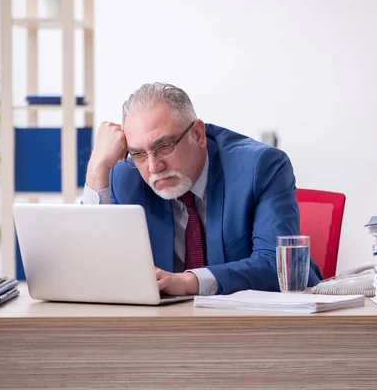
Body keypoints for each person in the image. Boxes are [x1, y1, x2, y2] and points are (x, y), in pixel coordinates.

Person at [83, 82, 323, 296]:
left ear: (197, 134)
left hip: (248, 327)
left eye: (164, 146)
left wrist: (191, 281)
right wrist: (96, 169)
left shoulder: (261, 166)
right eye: (138, 154)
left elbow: (278, 266)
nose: (154, 166)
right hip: (162, 328)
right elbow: (91, 268)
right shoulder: (124, 175)